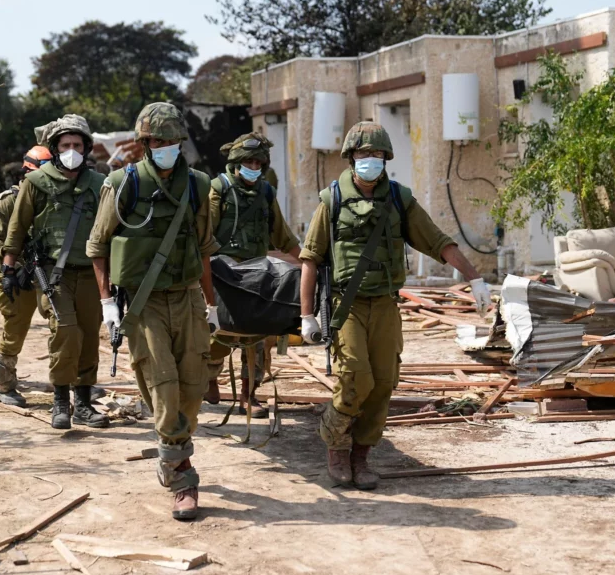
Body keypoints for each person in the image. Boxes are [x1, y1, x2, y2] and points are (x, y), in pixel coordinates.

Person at [299, 121, 493, 490]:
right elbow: (310, 260)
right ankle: (335, 443)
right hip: (347, 306)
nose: (369, 160)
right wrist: (306, 315)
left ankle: (361, 456)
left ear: (386, 158)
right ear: (350, 158)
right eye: (362, 154)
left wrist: (475, 276)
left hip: (387, 305)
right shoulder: (331, 201)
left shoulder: (399, 200)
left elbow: (437, 241)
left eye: (376, 154)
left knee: (384, 383)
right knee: (356, 377)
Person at [87, 102, 219, 521]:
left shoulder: (199, 185)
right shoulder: (121, 184)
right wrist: (107, 302)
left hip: (187, 297)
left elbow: (204, 251)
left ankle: (172, 453)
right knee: (163, 386)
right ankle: (182, 476)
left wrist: (212, 304)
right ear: (144, 143)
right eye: (157, 141)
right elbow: (98, 246)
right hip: (143, 303)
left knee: (194, 388)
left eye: (172, 141)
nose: (165, 147)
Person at [0, 116, 107, 430]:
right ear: (55, 149)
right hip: (52, 274)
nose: (71, 150)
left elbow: (113, 231)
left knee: (88, 337)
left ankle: (84, 403)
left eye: (76, 145)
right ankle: (61, 401)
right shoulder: (36, 183)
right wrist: (8, 269)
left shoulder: (100, 184)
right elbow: (17, 229)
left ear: (86, 148)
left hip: (91, 273)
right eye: (65, 145)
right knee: (65, 331)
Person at [205, 133, 300, 417]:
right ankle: (208, 377)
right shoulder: (217, 190)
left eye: (258, 163)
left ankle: (249, 395)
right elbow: (203, 237)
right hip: (222, 274)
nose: (253, 167)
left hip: (258, 276)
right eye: (248, 162)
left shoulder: (266, 193)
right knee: (217, 333)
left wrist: (310, 260)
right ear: (236, 163)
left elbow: (283, 236)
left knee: (258, 337)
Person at [0, 143, 53, 407]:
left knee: (62, 324)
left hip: (46, 274)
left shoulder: (52, 199)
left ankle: (73, 383)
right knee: (14, 331)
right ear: (27, 171)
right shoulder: (9, 200)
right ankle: (4, 384)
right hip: (17, 275)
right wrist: (9, 269)